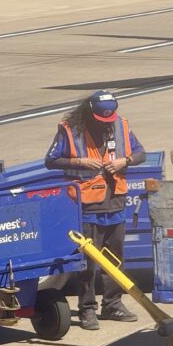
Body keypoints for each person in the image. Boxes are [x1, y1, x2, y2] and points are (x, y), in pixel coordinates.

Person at [45, 90, 146, 330]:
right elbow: (50, 160)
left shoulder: (120, 125)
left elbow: (141, 153)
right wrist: (79, 162)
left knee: (115, 259)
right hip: (88, 206)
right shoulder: (70, 130)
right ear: (88, 113)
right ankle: (87, 309)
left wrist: (126, 161)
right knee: (87, 263)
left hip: (116, 202)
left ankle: (112, 304)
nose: (106, 124)